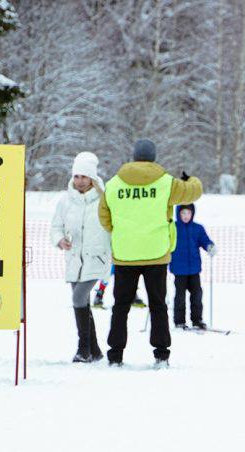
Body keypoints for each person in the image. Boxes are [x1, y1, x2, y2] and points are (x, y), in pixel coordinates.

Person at [99, 137, 202, 367]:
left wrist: (121, 231)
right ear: (154, 157)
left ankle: (115, 355)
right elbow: (194, 192)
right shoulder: (166, 183)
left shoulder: (114, 184)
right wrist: (191, 179)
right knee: (158, 306)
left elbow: (103, 215)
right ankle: (161, 354)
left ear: (134, 157)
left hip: (125, 254)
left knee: (120, 306)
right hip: (156, 253)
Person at [50, 151, 110, 362]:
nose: (80, 181)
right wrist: (60, 240)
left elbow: (112, 227)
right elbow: (56, 226)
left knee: (78, 298)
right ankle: (95, 350)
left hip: (96, 259)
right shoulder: (65, 200)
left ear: (92, 177)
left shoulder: (104, 200)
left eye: (84, 176)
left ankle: (83, 349)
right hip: (74, 260)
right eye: (76, 176)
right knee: (83, 301)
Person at [169, 203, 215, 330]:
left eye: (188, 213)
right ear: (178, 213)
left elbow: (204, 240)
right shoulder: (173, 228)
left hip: (194, 269)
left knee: (197, 295)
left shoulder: (197, 228)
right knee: (180, 297)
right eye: (183, 213)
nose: (186, 216)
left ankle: (197, 320)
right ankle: (179, 321)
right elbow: (165, 241)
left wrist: (209, 246)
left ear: (192, 213)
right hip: (179, 270)